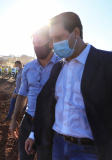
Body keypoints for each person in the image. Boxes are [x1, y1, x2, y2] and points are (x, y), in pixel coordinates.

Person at [33, 12, 112, 160]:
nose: (52, 45)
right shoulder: (58, 68)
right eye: (51, 40)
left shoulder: (106, 63)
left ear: (76, 33)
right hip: (57, 145)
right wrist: (33, 133)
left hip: (89, 150)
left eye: (58, 38)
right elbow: (46, 104)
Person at [9, 26, 61, 160]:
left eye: (40, 43)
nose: (36, 46)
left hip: (50, 125)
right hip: (28, 121)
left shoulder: (62, 66)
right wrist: (14, 119)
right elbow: (22, 95)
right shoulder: (29, 68)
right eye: (34, 44)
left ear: (51, 43)